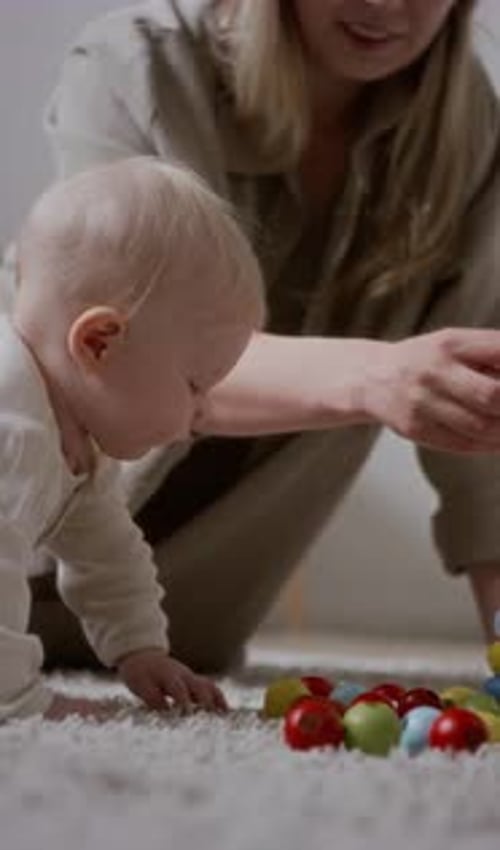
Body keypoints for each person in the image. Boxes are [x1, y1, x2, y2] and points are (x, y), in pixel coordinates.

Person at [24, 0, 500, 673]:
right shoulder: (140, 65)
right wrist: (377, 376)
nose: (389, 4)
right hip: (23, 551)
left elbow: (482, 432)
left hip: (184, 625)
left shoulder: (469, 131)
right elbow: (129, 354)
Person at [0, 155, 264, 721]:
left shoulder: (77, 438)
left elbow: (107, 552)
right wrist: (16, 698)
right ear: (99, 342)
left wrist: (139, 649)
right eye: (194, 384)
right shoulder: (12, 429)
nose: (202, 410)